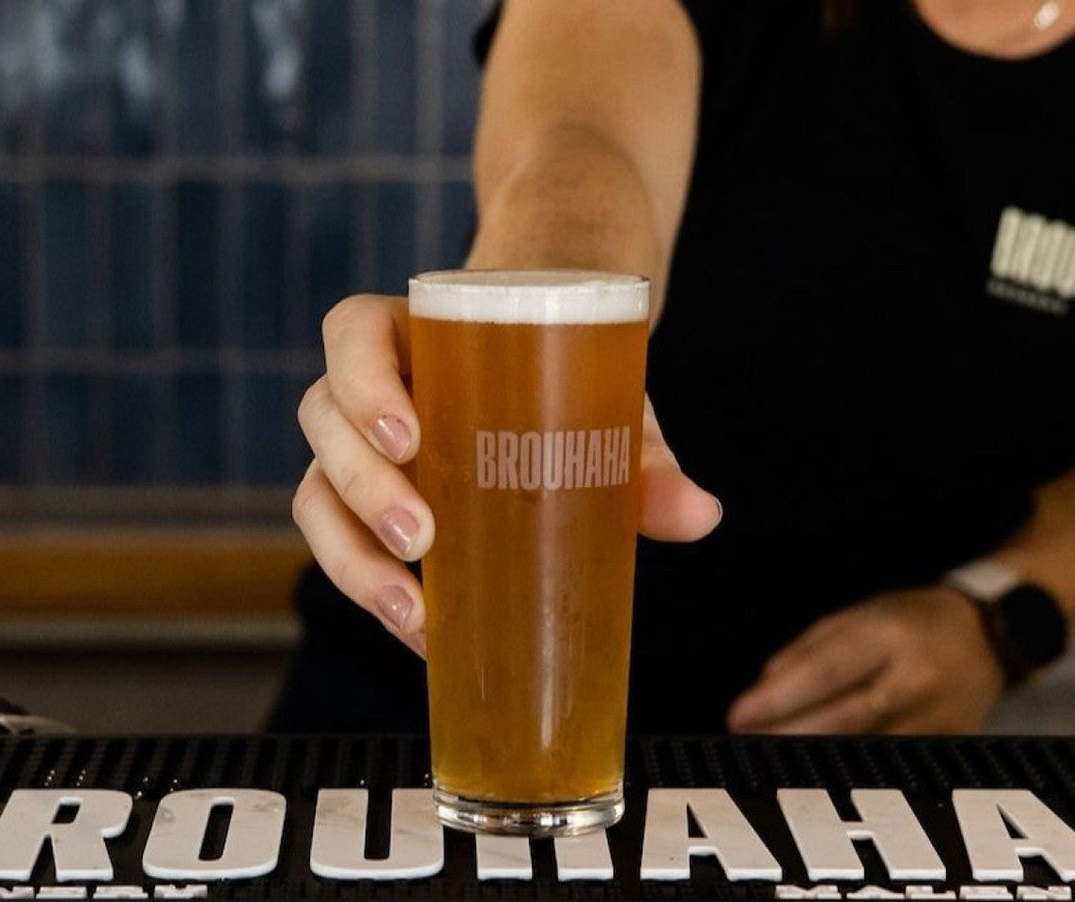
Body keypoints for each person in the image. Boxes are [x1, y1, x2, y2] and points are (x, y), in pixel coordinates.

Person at [271, 0, 1075, 738]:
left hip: (821, 783)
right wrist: (540, 329)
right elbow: (579, 146)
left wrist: (1002, 614)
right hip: (441, 713)